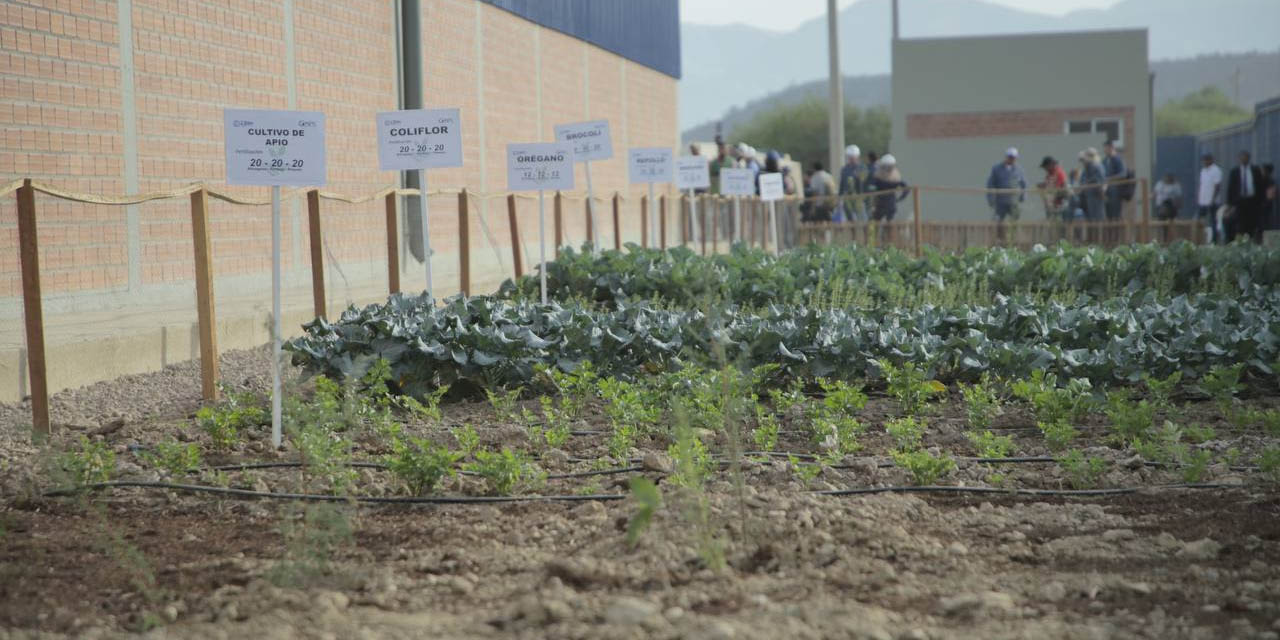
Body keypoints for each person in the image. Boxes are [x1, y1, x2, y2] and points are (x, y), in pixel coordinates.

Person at [1226, 150, 1265, 243]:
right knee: (1240, 223)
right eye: (1242, 157)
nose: (1244, 159)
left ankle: (1252, 239)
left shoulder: (1255, 170)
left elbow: (1260, 186)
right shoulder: (1235, 171)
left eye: (1246, 157)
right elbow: (1231, 188)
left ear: (1249, 158)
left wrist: (1261, 200)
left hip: (1252, 201)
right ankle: (1240, 241)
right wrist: (1230, 203)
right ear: (1239, 159)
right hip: (1239, 201)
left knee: (1252, 222)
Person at [986, 147, 1026, 222]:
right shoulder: (996, 169)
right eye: (1010, 157)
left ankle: (1014, 234)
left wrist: (1023, 196)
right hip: (1000, 201)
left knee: (1015, 220)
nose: (1011, 159)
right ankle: (999, 234)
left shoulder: (1019, 169)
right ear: (1006, 157)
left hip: (1014, 201)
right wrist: (990, 199)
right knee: (998, 222)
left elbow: (1023, 184)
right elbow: (990, 184)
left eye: (1013, 158)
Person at [866, 154, 910, 222]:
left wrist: (900, 198)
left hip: (888, 204)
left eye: (890, 166)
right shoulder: (878, 175)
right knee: (875, 222)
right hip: (880, 204)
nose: (888, 168)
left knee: (888, 224)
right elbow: (870, 186)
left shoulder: (895, 176)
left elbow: (906, 188)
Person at [1197, 153, 1224, 243]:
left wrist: (1213, 199)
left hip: (1213, 201)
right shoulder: (1203, 171)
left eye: (1207, 160)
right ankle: (1200, 239)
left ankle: (1214, 240)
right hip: (1203, 200)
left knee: (1213, 221)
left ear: (1211, 160)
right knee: (1200, 220)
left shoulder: (1216, 170)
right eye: (1204, 160)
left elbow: (1217, 186)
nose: (1205, 162)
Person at [837, 145, 867, 222]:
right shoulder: (844, 169)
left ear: (857, 157)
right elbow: (842, 184)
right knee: (850, 220)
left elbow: (863, 183)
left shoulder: (862, 168)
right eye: (850, 157)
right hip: (847, 198)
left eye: (853, 157)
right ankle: (853, 234)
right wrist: (839, 198)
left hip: (859, 198)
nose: (851, 159)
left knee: (863, 220)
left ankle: (866, 234)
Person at [1077, 148, 1105, 222]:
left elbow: (1099, 180)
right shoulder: (1087, 168)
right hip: (1089, 195)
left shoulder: (1097, 166)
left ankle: (1099, 232)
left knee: (1098, 217)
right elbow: (1083, 179)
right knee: (1092, 217)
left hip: (1097, 194)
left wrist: (1086, 183)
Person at [1038, 156, 1069, 221]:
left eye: (1045, 166)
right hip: (1050, 204)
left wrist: (1056, 198)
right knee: (1051, 220)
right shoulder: (1049, 175)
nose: (1045, 169)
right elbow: (1048, 185)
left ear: (1050, 165)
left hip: (1059, 203)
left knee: (1058, 220)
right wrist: (1043, 186)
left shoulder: (1059, 173)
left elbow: (1062, 186)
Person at [1102, 140, 1127, 220]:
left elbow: (1123, 174)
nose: (1104, 150)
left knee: (1116, 214)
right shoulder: (1105, 160)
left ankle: (1118, 232)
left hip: (1116, 191)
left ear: (1111, 148)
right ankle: (1110, 232)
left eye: (1106, 148)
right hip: (1106, 191)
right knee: (1108, 214)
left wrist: (1109, 178)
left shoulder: (1117, 159)